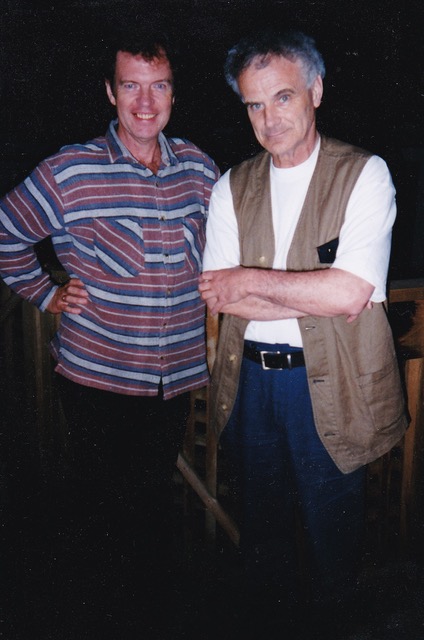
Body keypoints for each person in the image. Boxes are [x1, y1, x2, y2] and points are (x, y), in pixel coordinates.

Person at [0, 27, 219, 627]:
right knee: (102, 517)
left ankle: (141, 616)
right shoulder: (71, 170)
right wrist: (45, 292)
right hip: (97, 378)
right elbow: (6, 232)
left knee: (149, 509)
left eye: (159, 86)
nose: (145, 102)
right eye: (131, 87)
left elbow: (224, 250)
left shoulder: (199, 169)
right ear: (110, 91)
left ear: (174, 92)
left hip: (172, 380)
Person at [199, 28, 408, 630]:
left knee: (332, 541)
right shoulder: (230, 186)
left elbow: (350, 292)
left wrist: (251, 281)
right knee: (260, 543)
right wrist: (319, 293)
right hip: (250, 387)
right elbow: (219, 295)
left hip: (332, 385)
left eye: (283, 97)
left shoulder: (364, 174)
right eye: (254, 105)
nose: (268, 119)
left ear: (315, 90)